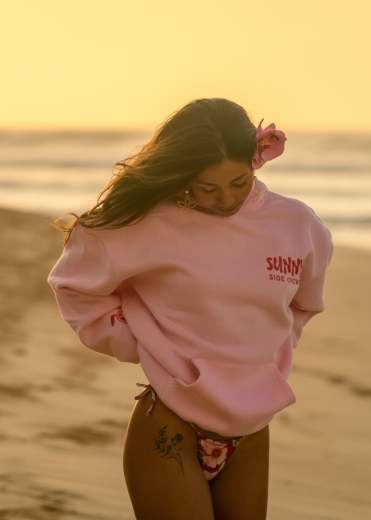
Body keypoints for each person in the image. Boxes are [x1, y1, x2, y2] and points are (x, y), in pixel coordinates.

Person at [47, 97, 333, 520]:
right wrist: (146, 345)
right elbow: (75, 287)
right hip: (170, 421)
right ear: (184, 175)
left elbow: (303, 305)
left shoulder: (297, 225)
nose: (226, 199)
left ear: (254, 162)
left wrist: (267, 354)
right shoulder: (147, 222)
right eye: (207, 188)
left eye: (238, 182)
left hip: (251, 427)